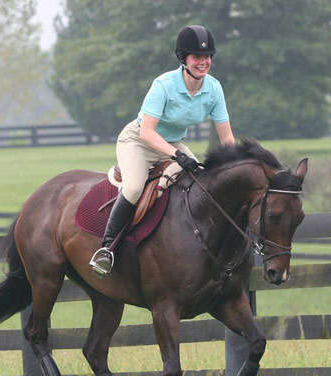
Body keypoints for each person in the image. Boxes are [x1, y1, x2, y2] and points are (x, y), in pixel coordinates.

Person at [89, 24, 236, 276]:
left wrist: (235, 166)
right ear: (183, 59)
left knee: (200, 184)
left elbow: (227, 138)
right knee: (134, 187)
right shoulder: (164, 85)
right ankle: (107, 248)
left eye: (207, 56)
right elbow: (147, 132)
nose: (204, 62)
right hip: (138, 142)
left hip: (174, 144)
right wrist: (176, 155)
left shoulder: (214, 89)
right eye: (197, 57)